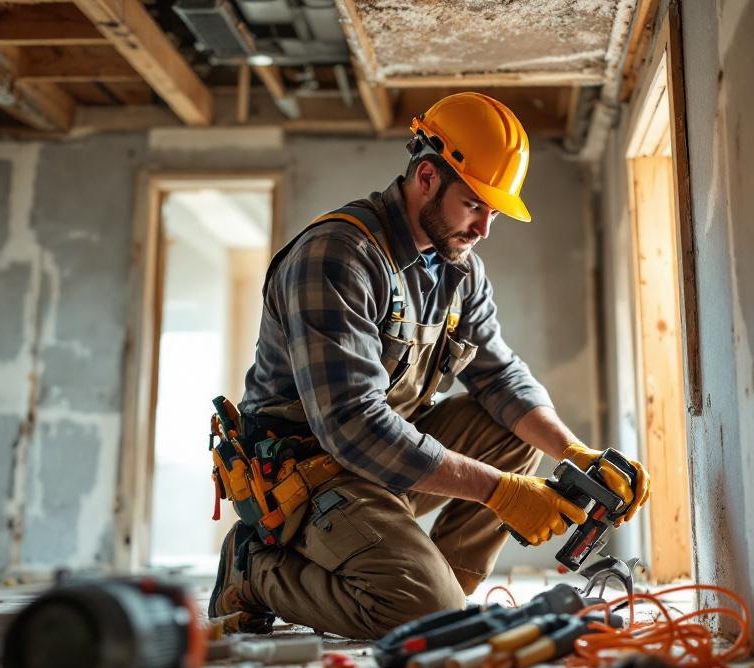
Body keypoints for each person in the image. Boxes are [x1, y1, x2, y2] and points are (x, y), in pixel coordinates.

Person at [208, 92, 650, 639]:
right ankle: (254, 571)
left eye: (494, 212)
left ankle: (435, 590)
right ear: (425, 178)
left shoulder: (459, 270)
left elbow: (500, 376)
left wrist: (574, 451)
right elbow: (352, 426)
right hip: (310, 479)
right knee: (421, 611)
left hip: (378, 469)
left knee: (512, 430)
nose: (485, 227)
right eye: (474, 205)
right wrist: (501, 492)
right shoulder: (338, 256)